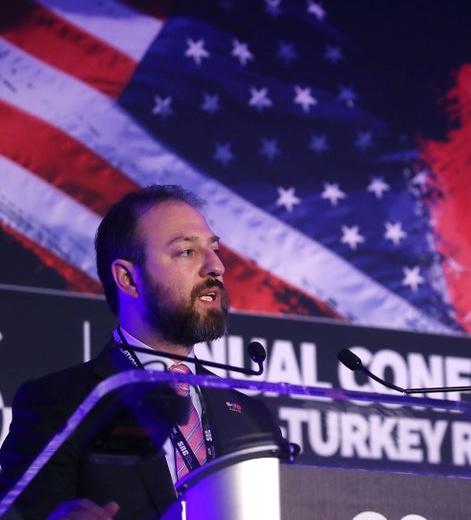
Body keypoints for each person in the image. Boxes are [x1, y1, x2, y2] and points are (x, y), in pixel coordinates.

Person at [0, 185, 288, 520]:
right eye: (186, 252)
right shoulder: (60, 403)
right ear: (128, 279)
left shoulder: (252, 419)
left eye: (214, 249)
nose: (216, 267)